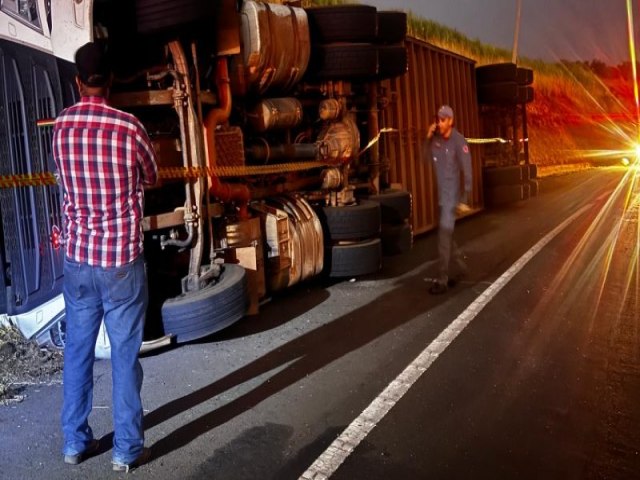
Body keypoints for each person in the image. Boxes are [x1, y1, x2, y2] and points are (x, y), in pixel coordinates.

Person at [53, 41, 158, 472]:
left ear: (78, 82)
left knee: (77, 351)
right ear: (110, 82)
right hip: (120, 261)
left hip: (78, 258)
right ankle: (126, 450)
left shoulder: (60, 126)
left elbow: (61, 180)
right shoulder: (130, 127)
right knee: (124, 354)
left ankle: (75, 443)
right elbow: (151, 175)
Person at [423, 105, 472, 294]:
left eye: (443, 120)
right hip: (442, 198)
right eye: (438, 119)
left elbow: (467, 171)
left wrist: (464, 198)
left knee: (443, 237)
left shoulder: (459, 141)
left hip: (452, 198)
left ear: (450, 121)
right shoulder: (436, 142)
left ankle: (442, 280)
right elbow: (424, 159)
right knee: (447, 237)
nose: (439, 123)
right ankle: (460, 267)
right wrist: (428, 137)